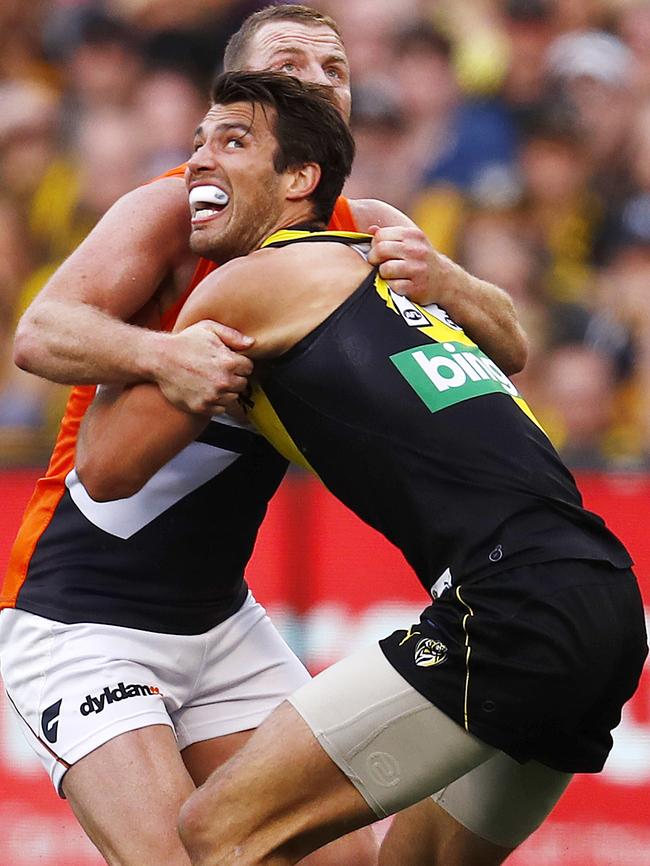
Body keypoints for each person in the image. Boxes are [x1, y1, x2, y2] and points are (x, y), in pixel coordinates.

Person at [75, 71, 647, 866]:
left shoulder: (248, 283)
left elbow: (102, 470)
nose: (197, 163)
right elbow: (511, 344)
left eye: (233, 142)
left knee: (218, 832)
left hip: (508, 603)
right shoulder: (388, 271)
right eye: (196, 141)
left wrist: (149, 340)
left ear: (301, 180)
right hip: (609, 598)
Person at [1, 6, 525, 866]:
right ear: (237, 95)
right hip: (84, 617)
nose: (320, 77)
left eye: (336, 67)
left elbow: (512, 345)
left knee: (341, 861)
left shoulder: (367, 227)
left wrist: (451, 282)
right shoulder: (175, 208)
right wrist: (162, 357)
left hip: (221, 620)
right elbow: (40, 334)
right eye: (293, 63)